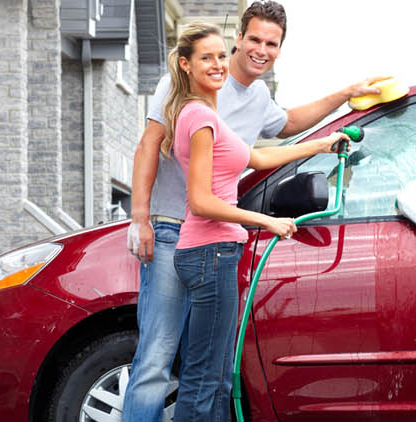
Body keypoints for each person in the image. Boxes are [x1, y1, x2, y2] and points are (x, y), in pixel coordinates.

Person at [121, 1, 385, 420]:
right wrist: (140, 218)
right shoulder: (192, 84)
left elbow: (286, 128)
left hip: (216, 242)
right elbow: (148, 145)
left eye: (272, 43)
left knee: (210, 365)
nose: (262, 50)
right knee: (157, 357)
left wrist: (344, 97)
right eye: (255, 39)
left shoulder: (258, 97)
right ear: (239, 38)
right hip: (172, 227)